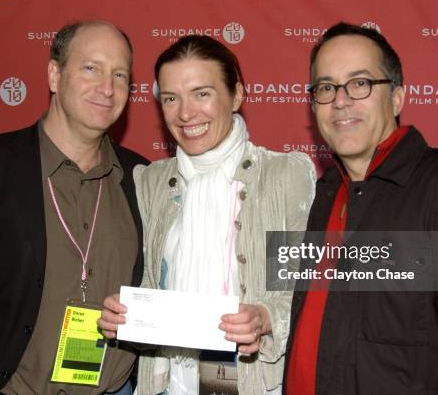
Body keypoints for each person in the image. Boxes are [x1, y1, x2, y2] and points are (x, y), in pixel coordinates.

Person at [0, 20, 148, 394]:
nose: (107, 88)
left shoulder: (143, 177)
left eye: (120, 75)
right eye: (91, 68)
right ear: (55, 74)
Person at [284, 22, 438, 395]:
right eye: (326, 87)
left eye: (360, 83)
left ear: (396, 98)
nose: (340, 100)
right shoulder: (324, 192)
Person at [98, 35, 316, 395]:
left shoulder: (284, 176)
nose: (185, 113)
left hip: (253, 384)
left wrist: (263, 317)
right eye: (170, 98)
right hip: (166, 384)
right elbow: (153, 284)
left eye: (202, 93)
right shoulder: (151, 181)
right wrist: (126, 314)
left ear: (237, 95)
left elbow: (303, 292)